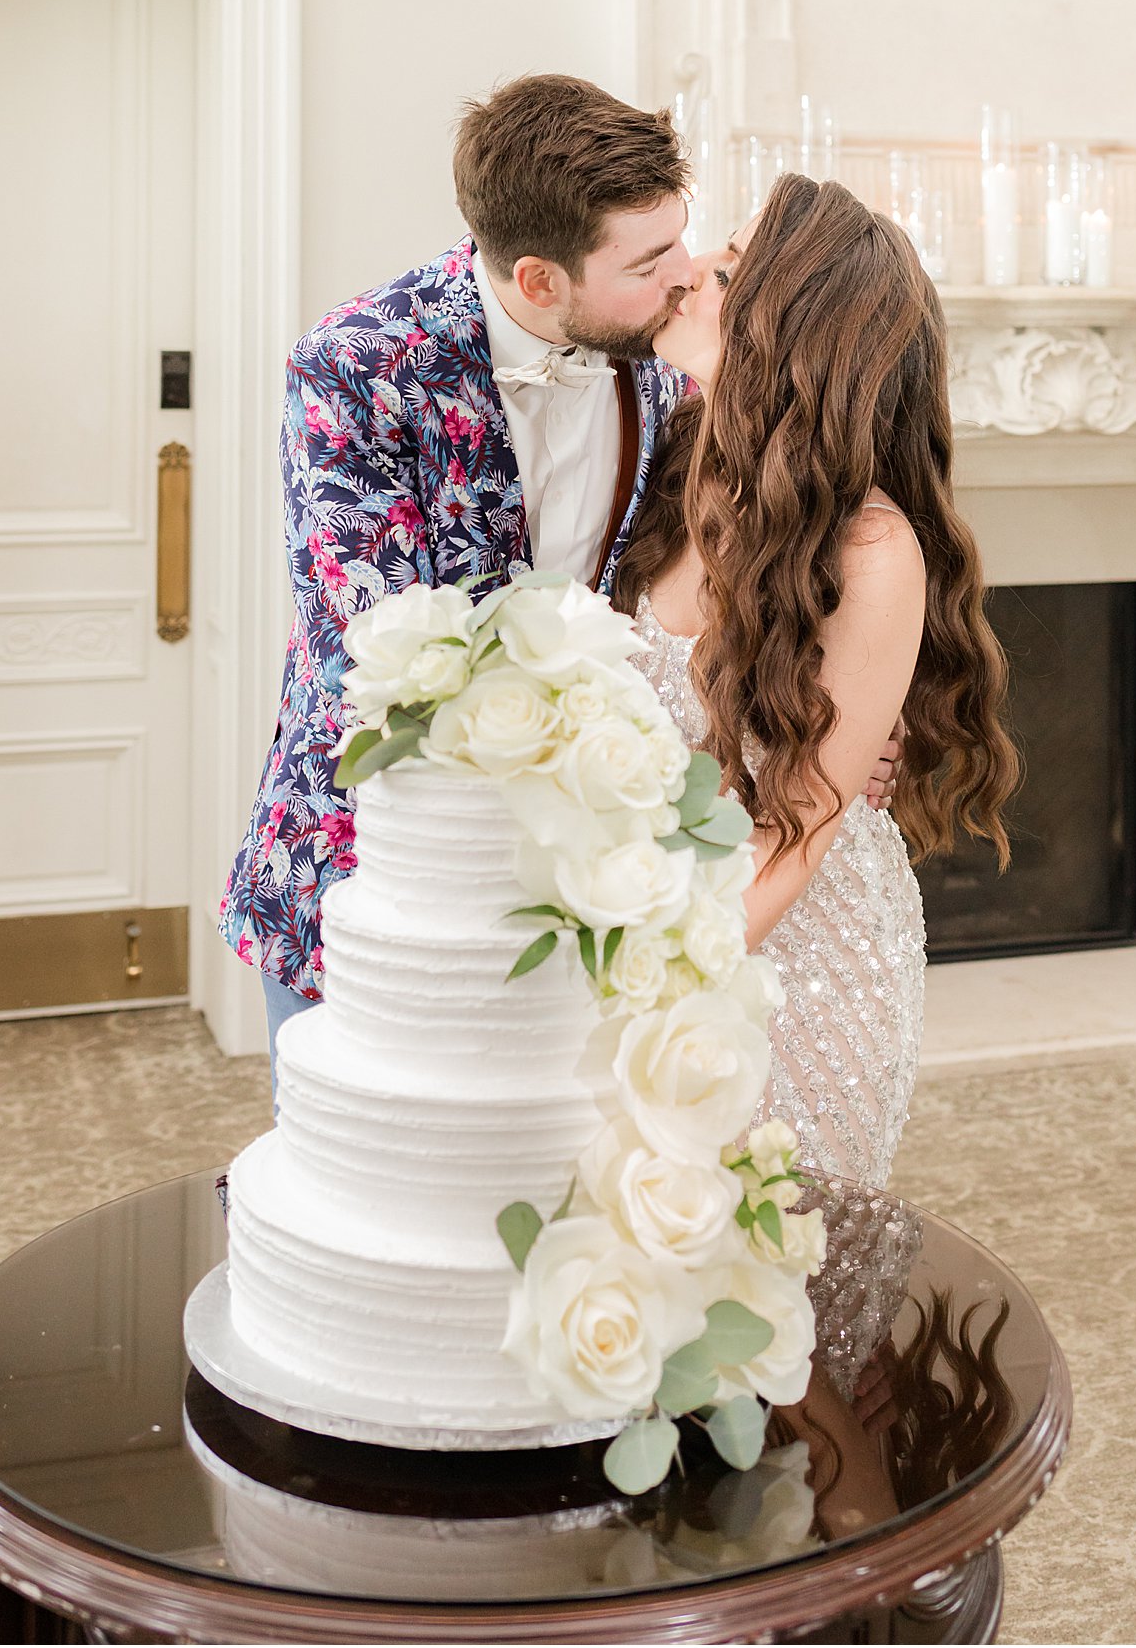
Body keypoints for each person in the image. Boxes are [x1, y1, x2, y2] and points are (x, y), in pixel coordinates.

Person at [218, 78, 902, 1090]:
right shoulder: (356, 369)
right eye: (647, 260)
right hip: (389, 869)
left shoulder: (673, 362)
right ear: (539, 281)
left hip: (596, 890)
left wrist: (835, 730)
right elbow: (372, 669)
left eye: (682, 238)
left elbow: (746, 591)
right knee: (368, 1198)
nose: (685, 275)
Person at [612, 172, 1018, 1185]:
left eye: (732, 265)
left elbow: (793, 832)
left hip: (793, 959)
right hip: (653, 920)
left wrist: (630, 989)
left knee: (776, 1285)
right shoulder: (663, 459)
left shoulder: (872, 554)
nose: (691, 270)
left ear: (787, 327)